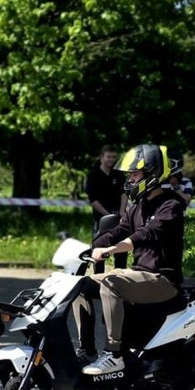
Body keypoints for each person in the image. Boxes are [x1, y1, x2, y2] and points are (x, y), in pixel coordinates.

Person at [77, 144, 186, 375]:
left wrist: (112, 250)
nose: (131, 180)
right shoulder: (138, 206)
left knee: (111, 284)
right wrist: (91, 247)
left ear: (152, 173)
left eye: (135, 174)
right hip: (138, 274)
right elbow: (119, 230)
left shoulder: (171, 205)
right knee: (78, 286)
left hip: (162, 280)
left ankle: (113, 354)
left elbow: (145, 234)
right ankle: (87, 351)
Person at [85, 144, 128, 274]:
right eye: (108, 157)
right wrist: (106, 215)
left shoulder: (118, 174)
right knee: (98, 250)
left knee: (121, 250)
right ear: (101, 157)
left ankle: (120, 277)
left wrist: (122, 211)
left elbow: (124, 193)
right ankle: (98, 278)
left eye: (114, 157)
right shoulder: (93, 175)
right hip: (100, 220)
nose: (111, 159)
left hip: (118, 218)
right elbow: (93, 200)